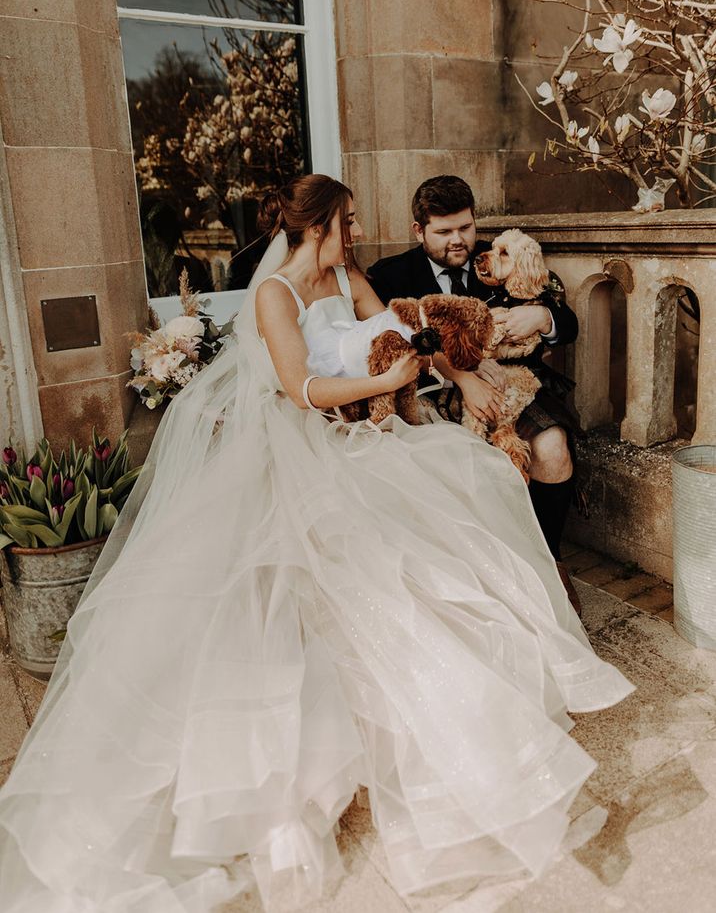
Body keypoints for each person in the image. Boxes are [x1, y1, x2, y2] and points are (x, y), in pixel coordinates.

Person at [0, 175, 631, 913]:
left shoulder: (345, 275)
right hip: (305, 442)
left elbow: (399, 323)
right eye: (348, 221)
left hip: (369, 430)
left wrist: (439, 362)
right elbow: (299, 385)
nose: (357, 232)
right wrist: (387, 377)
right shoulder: (276, 297)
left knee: (460, 505)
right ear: (316, 226)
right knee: (311, 584)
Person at [367, 175, 581, 608]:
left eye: (464, 227)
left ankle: (549, 563)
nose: (458, 241)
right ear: (419, 231)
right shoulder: (390, 276)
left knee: (554, 447)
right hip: (433, 390)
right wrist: (462, 377)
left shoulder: (499, 261)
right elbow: (396, 341)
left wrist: (542, 316)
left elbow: (567, 324)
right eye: (443, 232)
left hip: (514, 384)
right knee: (457, 464)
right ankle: (481, 575)